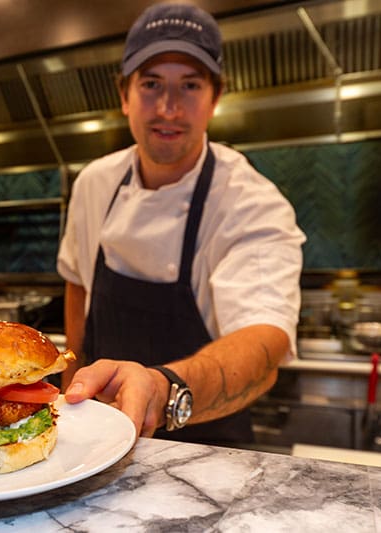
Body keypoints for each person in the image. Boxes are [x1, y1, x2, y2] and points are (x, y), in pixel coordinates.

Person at [57, 2, 306, 445]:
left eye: (189, 85)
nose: (168, 109)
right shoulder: (95, 183)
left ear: (215, 98)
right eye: (151, 84)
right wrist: (65, 400)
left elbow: (264, 341)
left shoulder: (250, 201)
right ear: (123, 95)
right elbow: (77, 283)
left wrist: (161, 390)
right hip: (92, 444)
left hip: (208, 449)